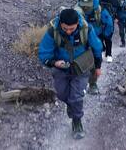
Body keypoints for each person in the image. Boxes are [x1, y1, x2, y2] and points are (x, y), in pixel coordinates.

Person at [38, 8, 102, 140]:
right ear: (60, 23)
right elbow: (44, 53)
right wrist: (54, 63)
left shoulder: (86, 29)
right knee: (62, 94)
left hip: (81, 68)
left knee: (76, 97)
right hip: (61, 70)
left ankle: (77, 122)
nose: (68, 31)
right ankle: (70, 106)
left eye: (71, 29)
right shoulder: (53, 31)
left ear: (77, 23)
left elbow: (97, 47)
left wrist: (98, 67)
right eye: (65, 28)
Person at [77, 0, 113, 95]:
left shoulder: (100, 10)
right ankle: (80, 86)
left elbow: (109, 23)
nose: (86, 8)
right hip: (82, 39)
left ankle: (93, 84)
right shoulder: (77, 10)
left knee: (96, 60)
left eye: (88, 6)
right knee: (80, 61)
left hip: (96, 37)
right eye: (84, 6)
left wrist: (106, 36)